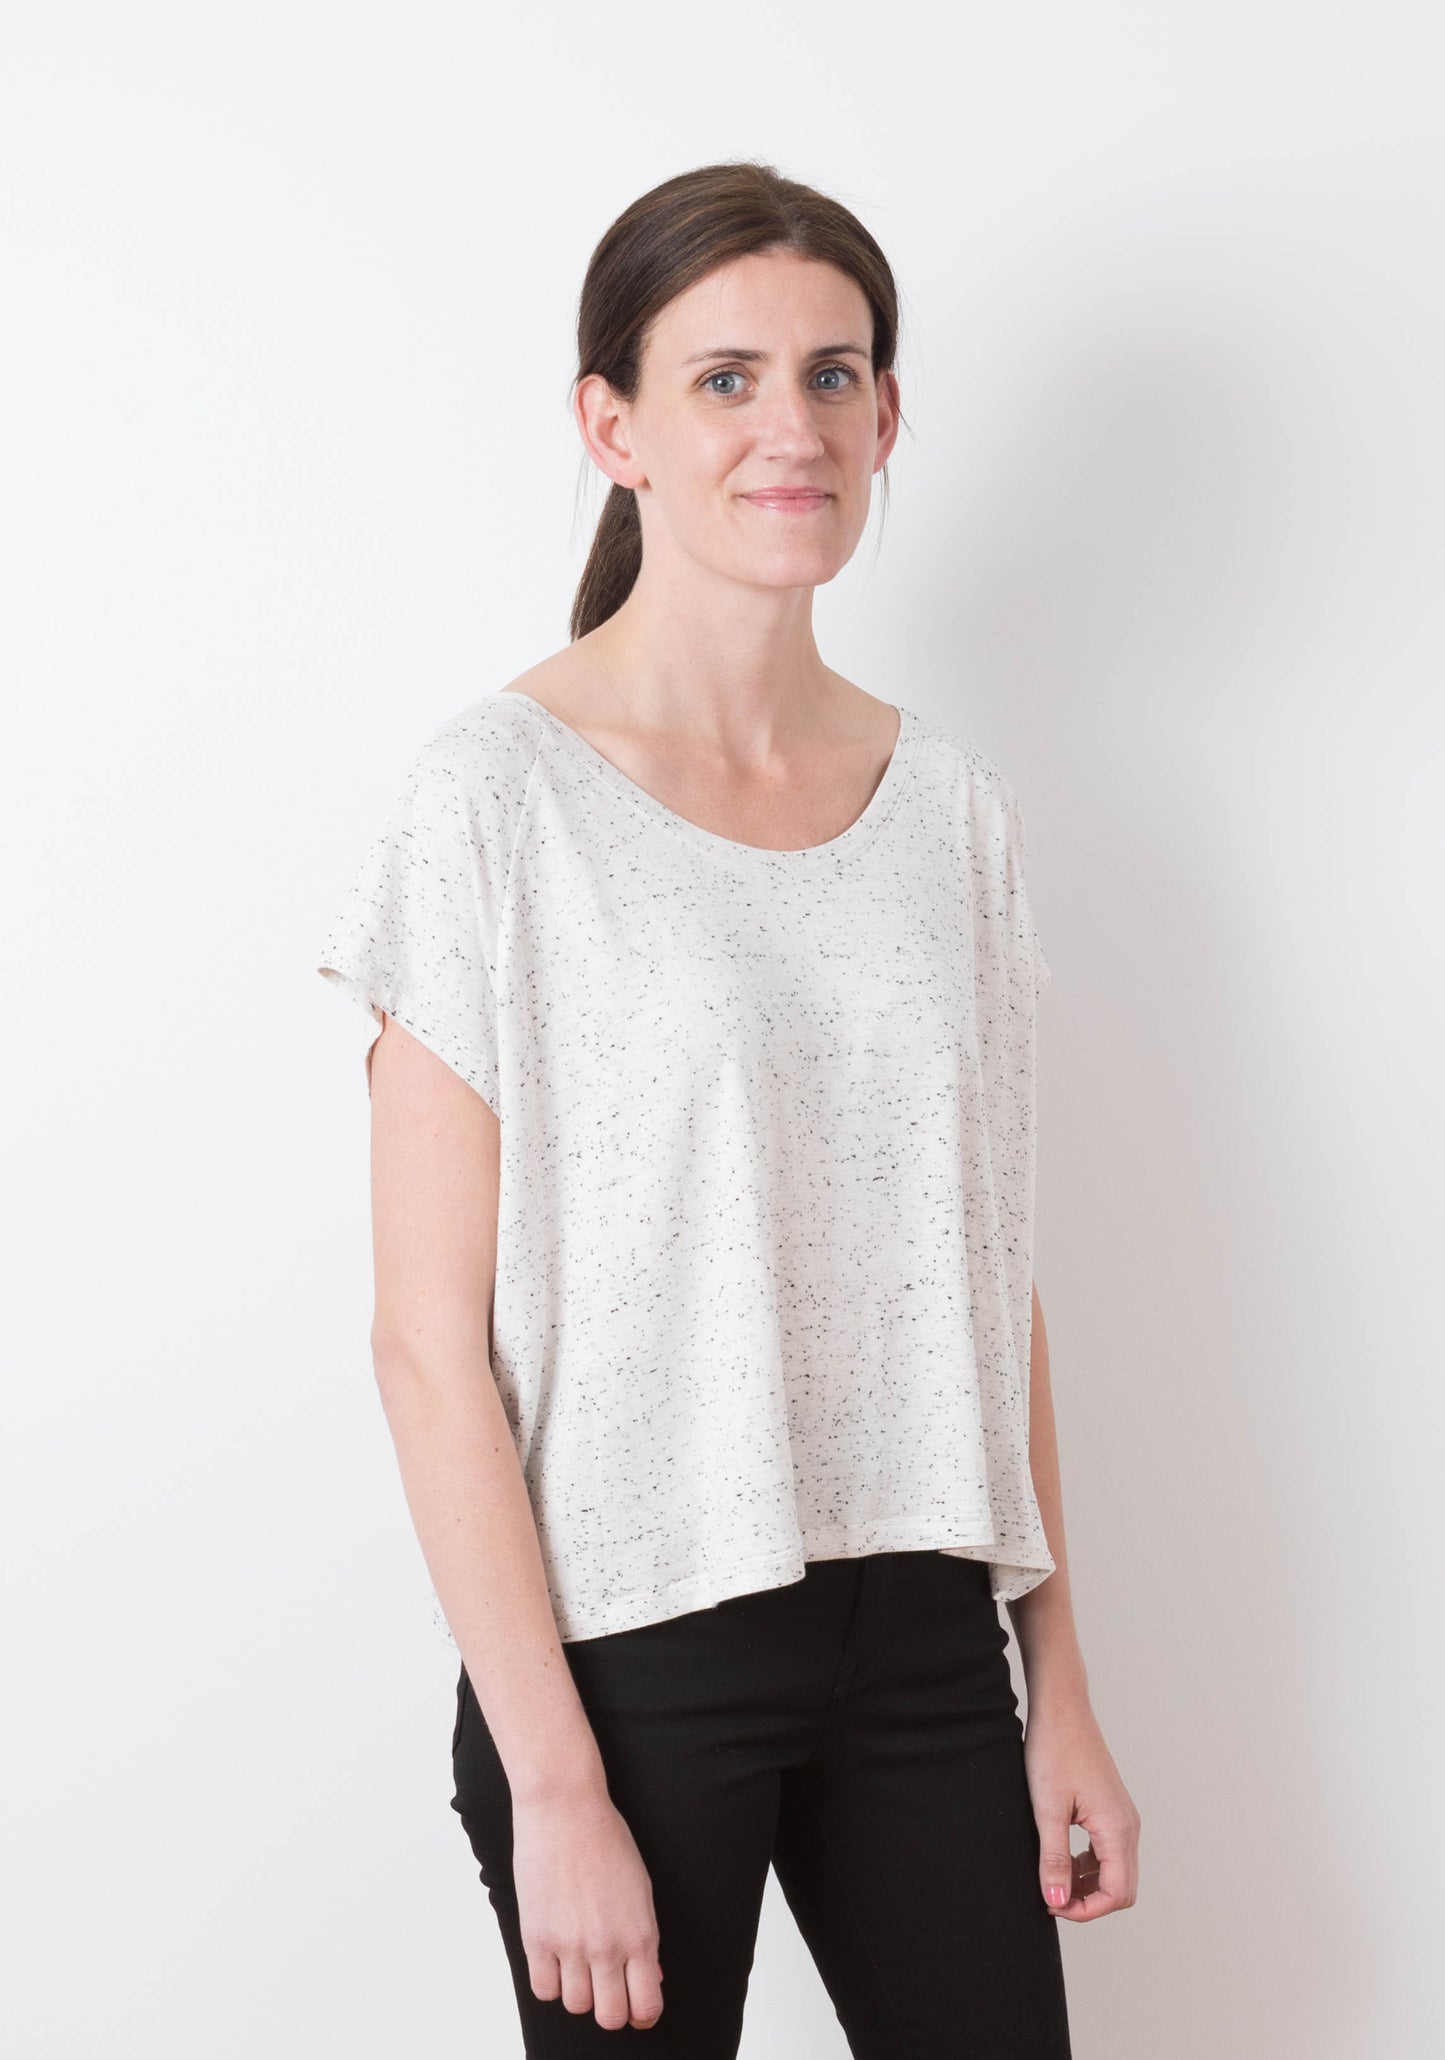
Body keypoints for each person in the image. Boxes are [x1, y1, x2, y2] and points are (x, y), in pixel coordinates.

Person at [316, 159, 1139, 2056]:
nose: (793, 428)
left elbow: (986, 1277)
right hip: (625, 1653)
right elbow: (427, 1345)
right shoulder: (494, 801)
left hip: (925, 1631)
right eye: (725, 379)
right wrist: (553, 1780)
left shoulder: (949, 811)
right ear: (612, 426)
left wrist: (1060, 1683)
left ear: (887, 415)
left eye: (833, 376)